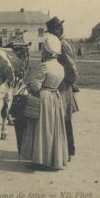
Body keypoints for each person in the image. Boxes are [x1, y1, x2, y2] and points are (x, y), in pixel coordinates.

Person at [21, 33, 68, 170]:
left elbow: (35, 86)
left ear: (47, 51)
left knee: (43, 128)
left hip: (44, 97)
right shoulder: (60, 67)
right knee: (54, 128)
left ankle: (41, 159)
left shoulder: (44, 66)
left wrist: (29, 82)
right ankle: (54, 159)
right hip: (55, 96)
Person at [45, 17, 78, 161]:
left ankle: (67, 151)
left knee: (64, 118)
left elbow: (71, 68)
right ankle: (65, 150)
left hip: (63, 85)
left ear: (58, 30)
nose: (51, 35)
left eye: (52, 32)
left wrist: (68, 81)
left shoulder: (63, 44)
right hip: (63, 83)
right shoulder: (67, 41)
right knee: (63, 118)